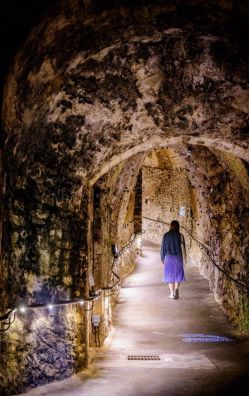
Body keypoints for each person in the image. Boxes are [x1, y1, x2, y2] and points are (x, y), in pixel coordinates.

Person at [160, 220, 186, 299]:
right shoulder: (180, 235)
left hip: (168, 258)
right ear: (178, 226)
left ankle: (172, 293)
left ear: (170, 226)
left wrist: (162, 258)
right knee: (178, 274)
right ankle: (176, 289)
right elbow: (183, 248)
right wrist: (185, 258)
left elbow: (162, 248)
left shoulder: (166, 235)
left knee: (169, 276)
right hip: (178, 257)